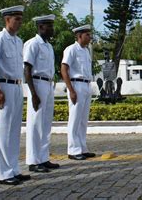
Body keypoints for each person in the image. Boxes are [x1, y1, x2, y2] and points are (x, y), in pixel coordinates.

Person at [0, 5, 31, 185]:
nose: (19, 22)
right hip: (4, 86)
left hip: (17, 86)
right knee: (2, 131)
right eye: (16, 19)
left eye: (21, 19)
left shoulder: (18, 41)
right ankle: (3, 173)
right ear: (7, 20)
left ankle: (13, 169)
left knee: (14, 131)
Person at [24, 14, 60, 173]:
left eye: (52, 25)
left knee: (45, 123)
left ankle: (43, 158)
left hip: (48, 83)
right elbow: (27, 69)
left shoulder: (48, 46)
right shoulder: (32, 44)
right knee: (35, 123)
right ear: (40, 27)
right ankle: (33, 161)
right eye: (48, 26)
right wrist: (33, 93)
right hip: (37, 83)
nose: (52, 29)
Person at [61, 24, 95, 160]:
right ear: (79, 36)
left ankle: (82, 147)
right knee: (75, 119)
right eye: (87, 34)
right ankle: (73, 150)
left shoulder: (86, 51)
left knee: (83, 119)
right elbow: (64, 69)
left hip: (86, 85)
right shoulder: (71, 49)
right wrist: (71, 90)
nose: (90, 37)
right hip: (76, 84)